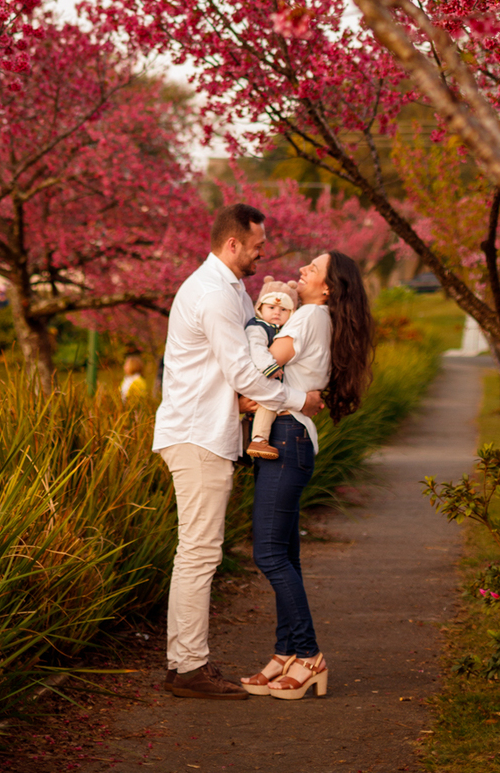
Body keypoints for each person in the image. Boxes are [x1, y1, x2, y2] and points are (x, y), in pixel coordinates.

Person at [152, 203, 324, 702]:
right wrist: (300, 399)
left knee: (198, 551)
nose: (262, 251)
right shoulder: (212, 294)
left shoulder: (230, 291)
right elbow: (244, 372)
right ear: (233, 244)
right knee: (199, 553)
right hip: (197, 434)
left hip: (204, 432)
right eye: (256, 244)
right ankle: (188, 669)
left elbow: (254, 354)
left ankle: (185, 663)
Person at [241, 250, 373, 701]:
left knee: (269, 554)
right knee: (285, 554)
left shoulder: (311, 316)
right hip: (288, 435)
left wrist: (251, 369)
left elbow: (263, 368)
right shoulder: (318, 315)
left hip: (285, 435)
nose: (301, 271)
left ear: (328, 287)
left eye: (312, 269)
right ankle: (285, 653)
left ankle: (310, 655)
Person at [244, 281, 297, 460]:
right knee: (270, 400)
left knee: (263, 407)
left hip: (266, 377)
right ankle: (259, 439)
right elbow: (256, 348)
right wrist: (269, 367)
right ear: (260, 308)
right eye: (272, 307)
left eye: (284, 310)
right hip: (260, 374)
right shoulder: (257, 327)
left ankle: (245, 446)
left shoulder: (282, 330)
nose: (277, 312)